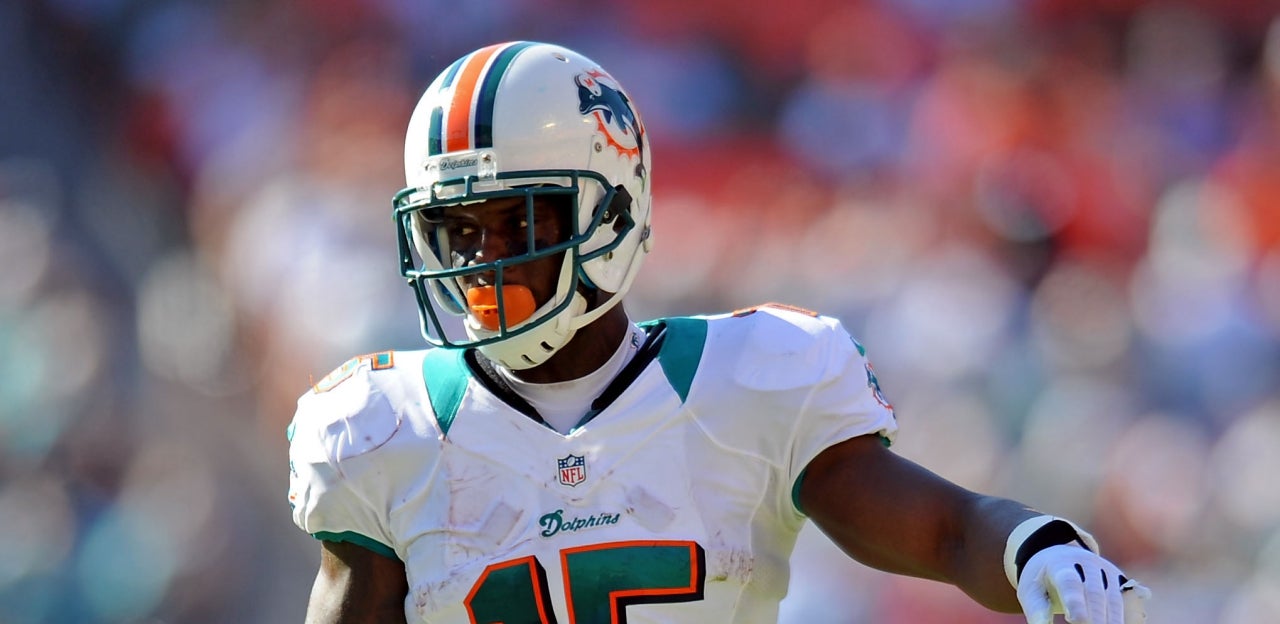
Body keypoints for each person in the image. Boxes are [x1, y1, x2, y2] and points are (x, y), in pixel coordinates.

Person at [286, 41, 1150, 624]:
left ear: (609, 214)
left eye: (516, 222)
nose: (481, 260)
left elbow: (950, 530)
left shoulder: (746, 384)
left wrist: (1034, 550)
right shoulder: (381, 430)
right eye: (459, 230)